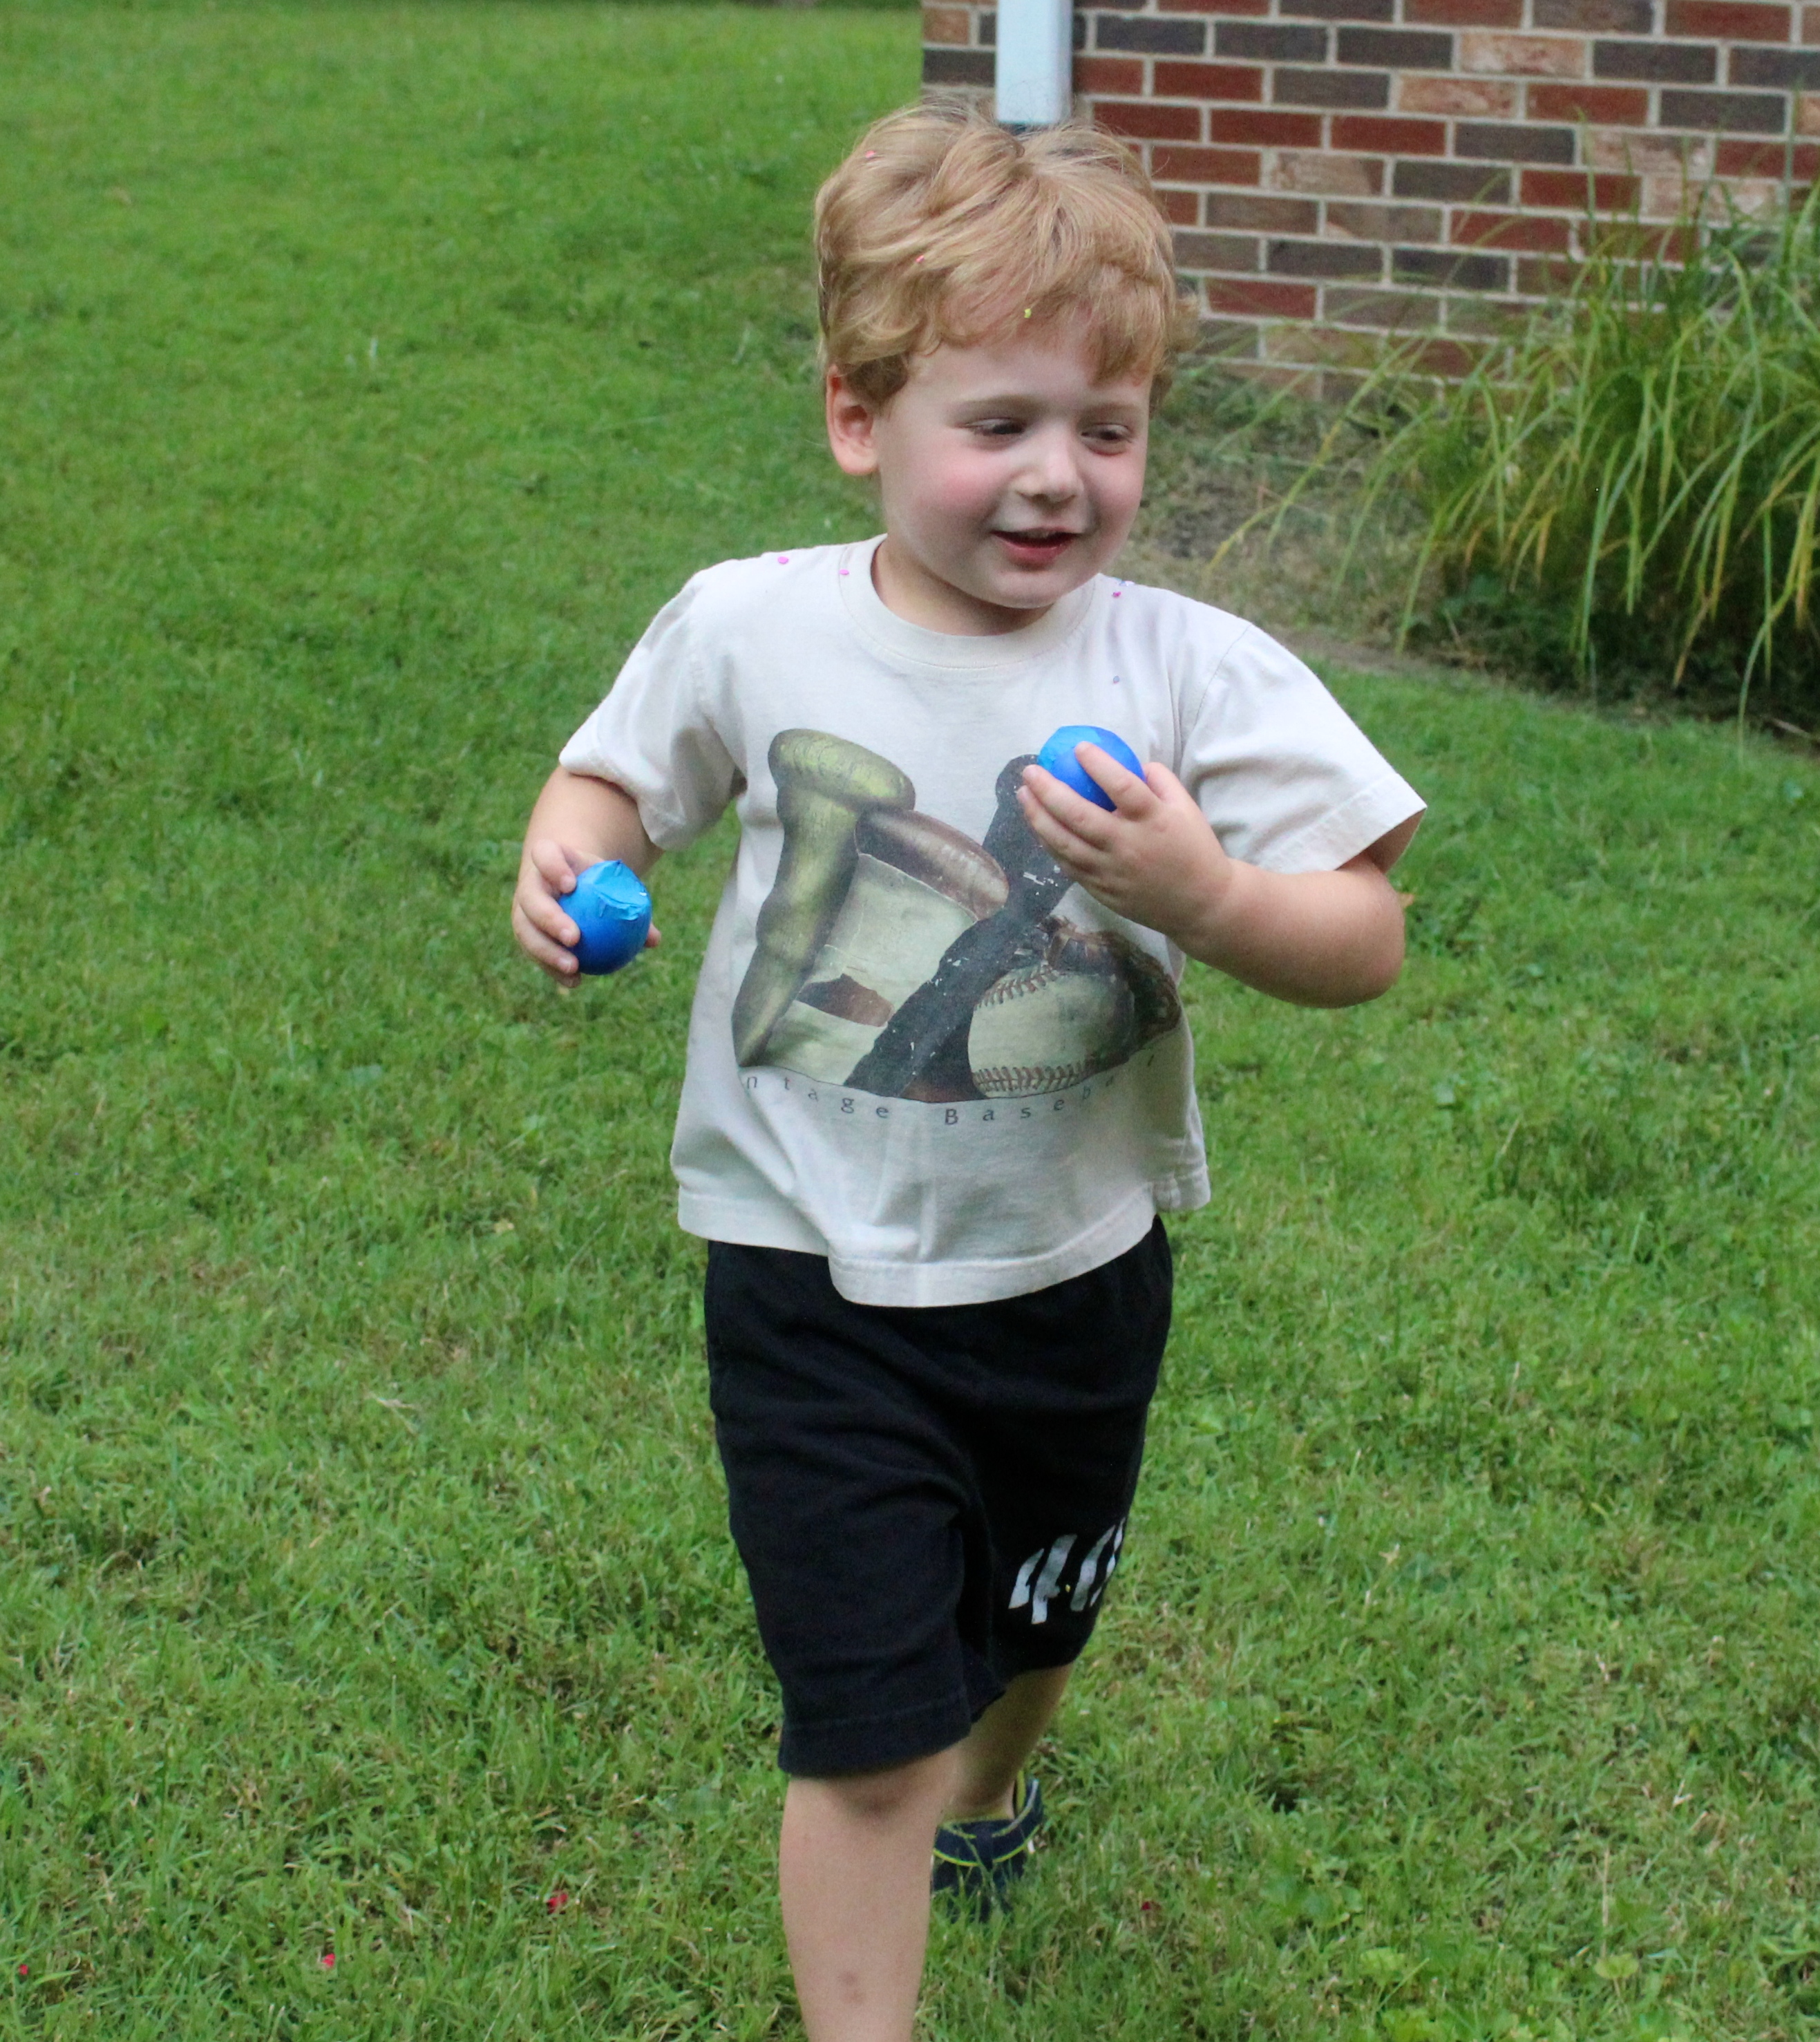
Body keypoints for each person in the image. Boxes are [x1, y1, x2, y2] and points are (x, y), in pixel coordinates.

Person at [506, 99, 1423, 2041]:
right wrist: (574, 857)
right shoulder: (750, 625)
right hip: (808, 1271)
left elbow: (1366, 930)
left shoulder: (1180, 670)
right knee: (868, 1738)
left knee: (1034, 1617)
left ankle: (1001, 1785)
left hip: (1073, 1266)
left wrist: (1204, 890)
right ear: (860, 416)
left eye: (1109, 428)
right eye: (998, 423)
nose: (1058, 477)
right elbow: (613, 779)